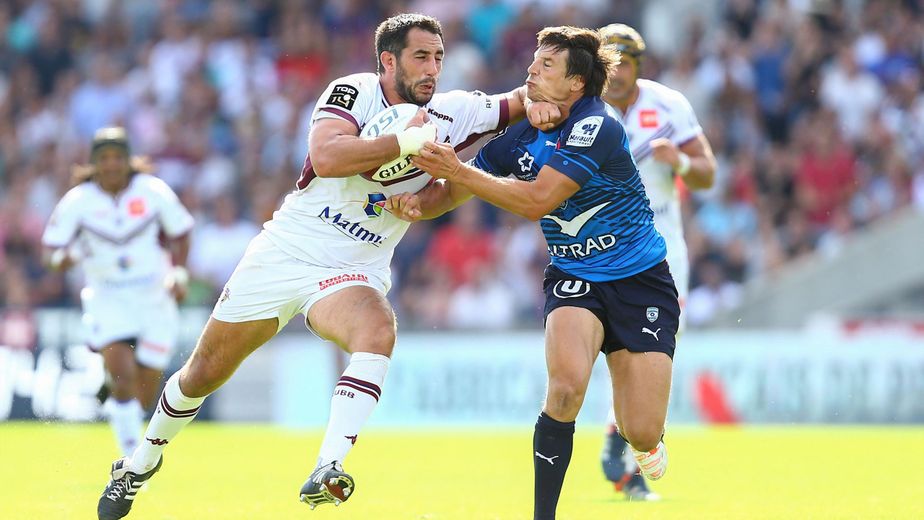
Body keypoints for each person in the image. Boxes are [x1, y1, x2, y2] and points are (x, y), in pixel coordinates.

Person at [95, 13, 556, 520]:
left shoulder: (459, 111)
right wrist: (403, 143)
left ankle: (327, 466)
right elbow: (329, 155)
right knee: (202, 374)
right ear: (388, 61)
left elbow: (518, 105)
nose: (432, 69)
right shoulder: (353, 92)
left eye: (439, 58)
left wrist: (430, 202)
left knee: (378, 330)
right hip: (287, 252)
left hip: (355, 267)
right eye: (421, 57)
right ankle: (140, 462)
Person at [396, 26, 680, 520]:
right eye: (533, 61)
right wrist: (412, 204)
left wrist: (459, 170)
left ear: (576, 84)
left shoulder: (598, 126)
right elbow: (451, 194)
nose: (530, 70)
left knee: (640, 429)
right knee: (566, 390)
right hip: (575, 276)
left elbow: (537, 201)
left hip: (640, 279)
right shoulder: (522, 136)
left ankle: (647, 443)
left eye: (546, 65)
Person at [597, 23, 716, 501]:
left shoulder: (669, 104)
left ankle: (622, 445)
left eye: (626, 61)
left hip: (663, 243)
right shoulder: (583, 109)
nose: (618, 71)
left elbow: (708, 172)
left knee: (657, 348)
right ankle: (624, 449)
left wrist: (681, 163)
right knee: (612, 345)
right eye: (609, 61)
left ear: (639, 64)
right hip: (603, 243)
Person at [42, 126, 192, 459]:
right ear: (93, 163)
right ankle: (130, 463)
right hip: (107, 296)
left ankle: (110, 386)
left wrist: (179, 273)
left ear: (129, 161)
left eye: (117, 158)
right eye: (104, 158)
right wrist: (61, 259)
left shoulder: (152, 191)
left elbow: (181, 232)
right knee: (124, 381)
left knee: (143, 394)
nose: (111, 165)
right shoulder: (78, 201)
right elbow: (49, 251)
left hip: (154, 295)